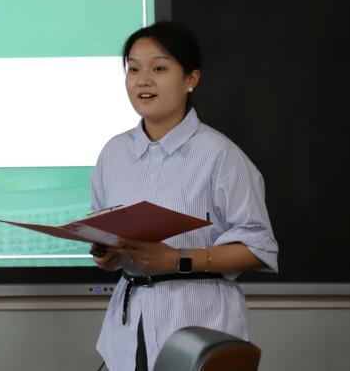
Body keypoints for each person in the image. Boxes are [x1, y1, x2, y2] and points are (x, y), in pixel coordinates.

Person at [91, 21, 278, 371]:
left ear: (191, 79)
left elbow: (259, 248)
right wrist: (106, 254)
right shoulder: (113, 154)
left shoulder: (220, 155)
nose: (142, 80)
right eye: (133, 69)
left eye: (159, 69)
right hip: (127, 328)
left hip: (198, 323)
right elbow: (107, 239)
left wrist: (177, 259)